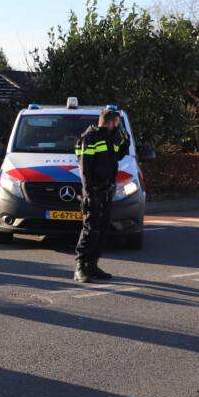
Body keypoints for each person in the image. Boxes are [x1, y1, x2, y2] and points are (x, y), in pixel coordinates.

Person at [73, 108, 130, 283]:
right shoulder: (90, 138)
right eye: (117, 123)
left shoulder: (108, 137)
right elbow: (85, 170)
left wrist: (125, 145)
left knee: (102, 229)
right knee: (90, 228)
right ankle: (80, 267)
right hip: (94, 190)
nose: (118, 127)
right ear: (110, 122)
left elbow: (115, 157)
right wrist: (89, 195)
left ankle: (93, 264)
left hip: (106, 191)